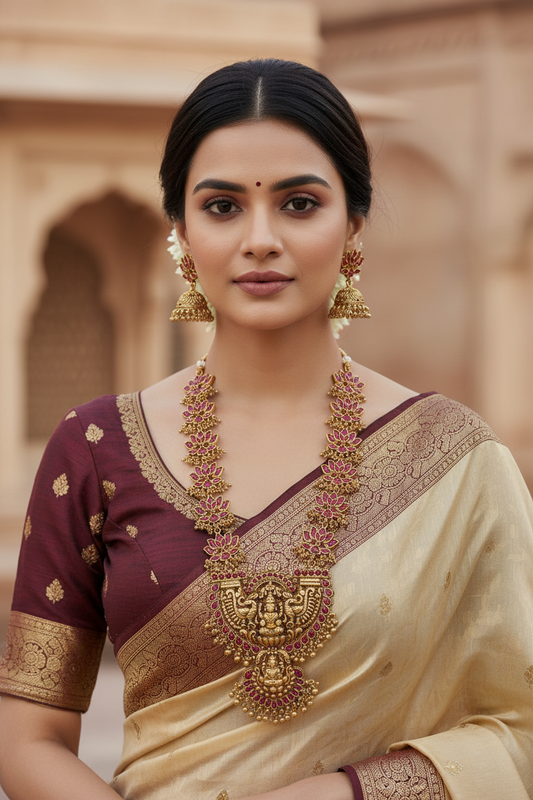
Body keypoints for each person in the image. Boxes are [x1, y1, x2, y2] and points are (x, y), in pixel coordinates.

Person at [0, 58, 532, 800]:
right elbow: (27, 739)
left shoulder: (454, 457)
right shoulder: (97, 448)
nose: (259, 238)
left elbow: (519, 732)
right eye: (221, 207)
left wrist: (336, 795)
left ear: (353, 222)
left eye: (298, 203)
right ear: (179, 229)